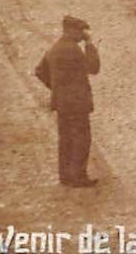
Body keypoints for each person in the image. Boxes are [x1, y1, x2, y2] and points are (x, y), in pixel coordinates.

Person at [33, 15, 101, 188]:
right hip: (77, 104)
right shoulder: (73, 50)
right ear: (71, 30)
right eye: (80, 31)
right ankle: (78, 176)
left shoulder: (54, 48)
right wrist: (89, 44)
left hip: (62, 103)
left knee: (66, 139)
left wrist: (56, 88)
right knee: (81, 138)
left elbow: (40, 71)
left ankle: (65, 176)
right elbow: (94, 68)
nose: (82, 34)